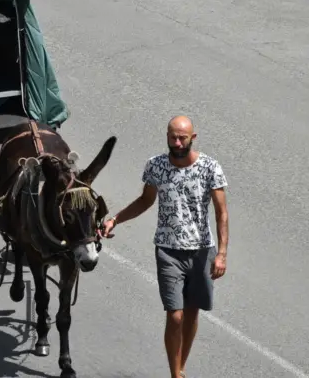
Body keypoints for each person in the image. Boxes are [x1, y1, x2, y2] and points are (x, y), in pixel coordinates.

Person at [98, 115, 229, 378]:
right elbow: (145, 200)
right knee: (175, 315)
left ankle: (180, 367)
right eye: (173, 137)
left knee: (192, 312)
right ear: (167, 136)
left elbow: (221, 213)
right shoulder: (156, 165)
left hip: (202, 251)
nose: (177, 143)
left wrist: (222, 254)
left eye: (182, 138)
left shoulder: (210, 167)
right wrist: (115, 220)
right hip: (168, 251)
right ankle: (174, 375)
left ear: (193, 138)